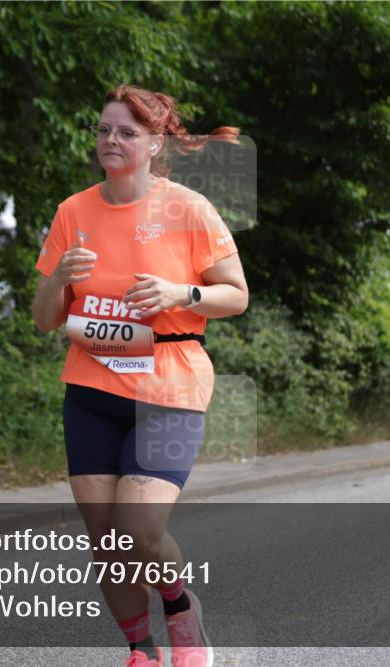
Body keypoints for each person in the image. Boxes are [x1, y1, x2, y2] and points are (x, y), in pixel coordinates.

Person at [32, 84, 248, 667]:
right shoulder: (72, 212)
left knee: (138, 530)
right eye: (104, 130)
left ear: (155, 144)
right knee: (107, 542)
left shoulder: (190, 209)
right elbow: (43, 320)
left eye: (126, 132)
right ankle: (140, 650)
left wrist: (183, 291)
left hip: (170, 389)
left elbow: (237, 296)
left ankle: (180, 607)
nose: (111, 141)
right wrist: (58, 280)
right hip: (90, 390)